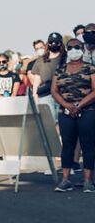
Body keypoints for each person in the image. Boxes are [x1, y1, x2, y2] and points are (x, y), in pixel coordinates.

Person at [51, 38, 95, 193]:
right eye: (70, 47)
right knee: (67, 146)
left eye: (77, 47)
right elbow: (54, 91)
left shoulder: (90, 68)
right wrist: (67, 105)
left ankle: (88, 181)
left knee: (88, 145)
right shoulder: (60, 69)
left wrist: (79, 105)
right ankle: (65, 180)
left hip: (87, 111)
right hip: (66, 112)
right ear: (66, 50)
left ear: (82, 49)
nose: (74, 50)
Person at [29, 32, 66, 122]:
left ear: (61, 43)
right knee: (49, 122)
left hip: (64, 94)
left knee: (63, 122)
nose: (54, 44)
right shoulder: (41, 60)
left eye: (56, 42)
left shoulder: (66, 58)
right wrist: (35, 96)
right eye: (51, 42)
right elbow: (37, 79)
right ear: (48, 43)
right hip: (46, 95)